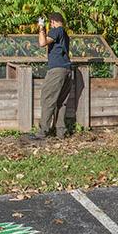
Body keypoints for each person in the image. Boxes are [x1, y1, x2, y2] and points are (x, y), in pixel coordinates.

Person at [33, 12, 73, 140]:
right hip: (67, 70)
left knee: (47, 98)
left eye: (50, 23)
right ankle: (60, 132)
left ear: (53, 22)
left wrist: (41, 28)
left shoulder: (56, 31)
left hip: (57, 71)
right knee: (61, 102)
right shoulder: (65, 34)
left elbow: (42, 42)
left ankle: (43, 131)